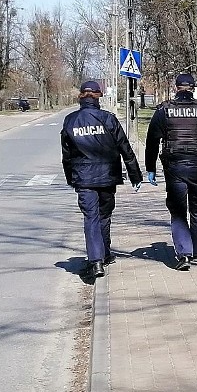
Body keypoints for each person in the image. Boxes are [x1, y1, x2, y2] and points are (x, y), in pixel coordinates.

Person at [61, 80, 143, 278]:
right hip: (107, 176)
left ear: (81, 95)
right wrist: (135, 174)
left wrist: (70, 178)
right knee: (104, 215)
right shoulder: (108, 119)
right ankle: (104, 254)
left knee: (91, 217)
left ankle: (96, 260)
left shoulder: (71, 121)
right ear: (99, 96)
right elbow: (125, 148)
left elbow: (66, 155)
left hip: (83, 179)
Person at [145, 72, 197, 271]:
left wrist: (150, 168)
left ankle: (184, 253)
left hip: (174, 168)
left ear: (176, 88)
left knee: (178, 211)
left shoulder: (164, 111)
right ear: (193, 88)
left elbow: (152, 141)